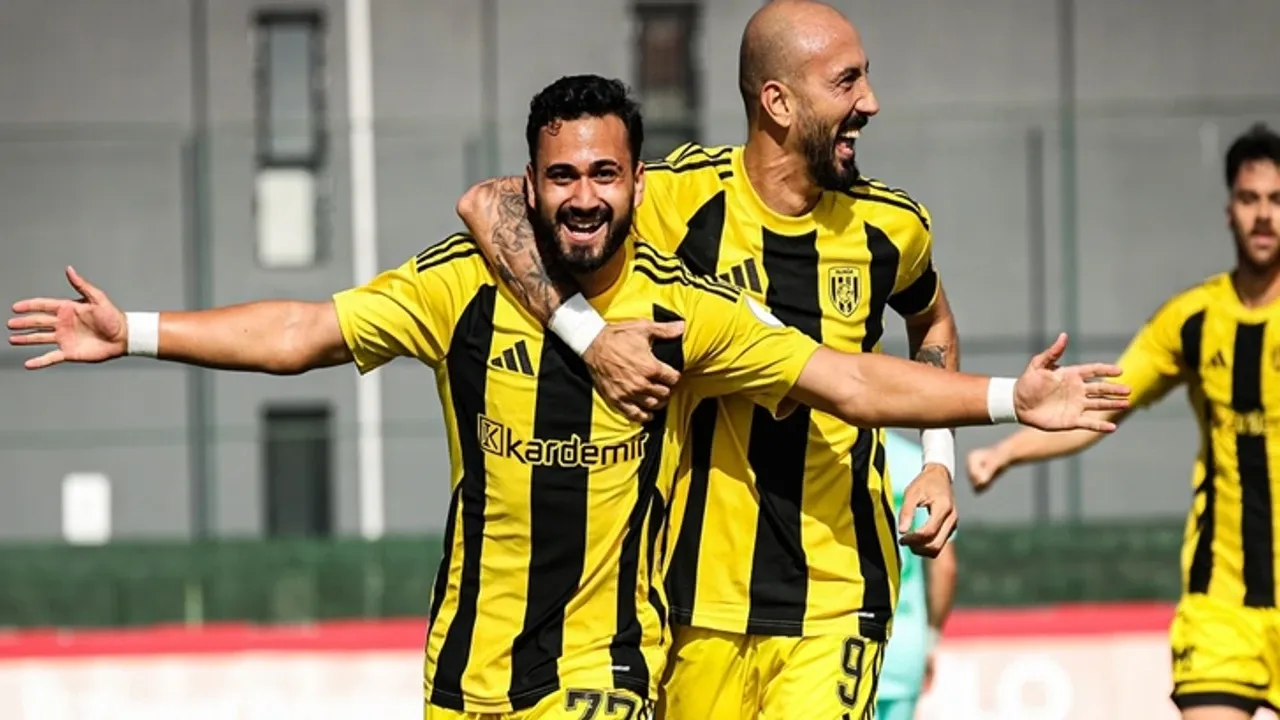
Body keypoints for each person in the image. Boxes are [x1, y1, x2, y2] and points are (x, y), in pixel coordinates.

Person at [9, 75, 1127, 720]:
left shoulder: (687, 310)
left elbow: (847, 376)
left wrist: (998, 398)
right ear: (530, 186)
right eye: (561, 176)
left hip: (607, 669)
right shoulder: (459, 287)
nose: (583, 196)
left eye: (603, 173)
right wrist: (135, 330)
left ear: (639, 181)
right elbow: (301, 333)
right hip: (464, 665)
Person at [456, 2, 966, 717]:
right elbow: (492, 205)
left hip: (839, 594)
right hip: (693, 598)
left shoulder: (891, 226)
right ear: (778, 102)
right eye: (847, 81)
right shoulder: (674, 200)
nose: (870, 102)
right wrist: (589, 338)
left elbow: (931, 320)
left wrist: (938, 458)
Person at [966, 122, 1280, 720]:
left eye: (1276, 200)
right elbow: (1099, 407)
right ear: (1229, 212)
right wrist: (1006, 452)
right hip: (1221, 604)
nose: (1263, 215)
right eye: (1249, 199)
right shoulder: (1191, 319)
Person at [875, 431, 957, 720]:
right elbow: (945, 567)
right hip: (906, 643)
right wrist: (931, 640)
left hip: (841, 637)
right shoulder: (919, 463)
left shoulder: (834, 457)